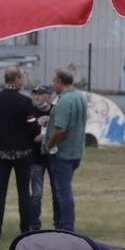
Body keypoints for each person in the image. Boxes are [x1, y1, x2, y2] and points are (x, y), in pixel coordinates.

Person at [0, 66, 41, 239]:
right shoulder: (24, 102)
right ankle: (25, 229)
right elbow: (33, 128)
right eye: (21, 78)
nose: (22, 81)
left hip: (0, 153)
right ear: (16, 79)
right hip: (22, 153)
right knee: (24, 192)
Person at [44, 68, 87, 232]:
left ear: (60, 82)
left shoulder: (64, 101)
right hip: (76, 151)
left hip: (63, 152)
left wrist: (49, 145)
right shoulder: (80, 97)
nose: (52, 84)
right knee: (64, 189)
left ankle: (66, 226)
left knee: (63, 191)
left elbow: (60, 129)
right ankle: (64, 224)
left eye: (54, 81)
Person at [26, 84, 56, 217]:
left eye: (40, 94)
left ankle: (59, 223)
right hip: (36, 157)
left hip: (54, 157)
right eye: (35, 94)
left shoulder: (56, 111)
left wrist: (47, 137)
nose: (36, 97)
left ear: (49, 97)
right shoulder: (31, 111)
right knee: (37, 193)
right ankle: (35, 224)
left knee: (57, 191)